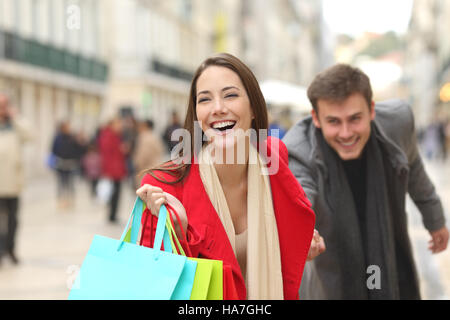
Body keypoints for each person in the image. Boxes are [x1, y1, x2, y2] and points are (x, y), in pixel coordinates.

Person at [136, 53, 318, 300]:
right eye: (205, 99)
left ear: (253, 107)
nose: (218, 108)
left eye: (230, 95)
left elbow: (290, 225)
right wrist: (179, 234)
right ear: (197, 114)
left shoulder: (274, 156)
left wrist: (303, 241)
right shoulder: (163, 186)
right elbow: (154, 283)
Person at [283, 63, 449, 299]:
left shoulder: (397, 122)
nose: (346, 132)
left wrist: (435, 218)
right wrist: (301, 232)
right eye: (333, 121)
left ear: (371, 110)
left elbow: (413, 166)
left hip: (388, 248)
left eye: (354, 118)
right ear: (316, 118)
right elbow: (299, 195)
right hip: (333, 261)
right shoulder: (297, 147)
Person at [0, 93, 32, 265]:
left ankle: (11, 249)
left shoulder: (15, 126)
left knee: (13, 219)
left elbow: (30, 135)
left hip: (12, 182)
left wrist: (15, 117)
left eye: (4, 105)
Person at [98, 117, 128, 223]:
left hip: (117, 169)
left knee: (116, 194)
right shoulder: (108, 136)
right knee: (113, 194)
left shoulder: (116, 136)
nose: (120, 127)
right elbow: (107, 156)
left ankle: (113, 214)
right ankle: (112, 215)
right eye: (118, 124)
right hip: (113, 171)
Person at [51, 121, 83, 208]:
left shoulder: (72, 137)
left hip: (71, 163)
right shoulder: (58, 138)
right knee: (61, 184)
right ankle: (61, 201)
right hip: (61, 164)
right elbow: (53, 149)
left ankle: (70, 201)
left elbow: (79, 149)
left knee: (71, 184)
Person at [133, 119, 164, 187]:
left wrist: (137, 164)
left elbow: (143, 156)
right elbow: (161, 151)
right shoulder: (154, 137)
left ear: (145, 126)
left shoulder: (144, 137)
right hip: (155, 169)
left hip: (146, 170)